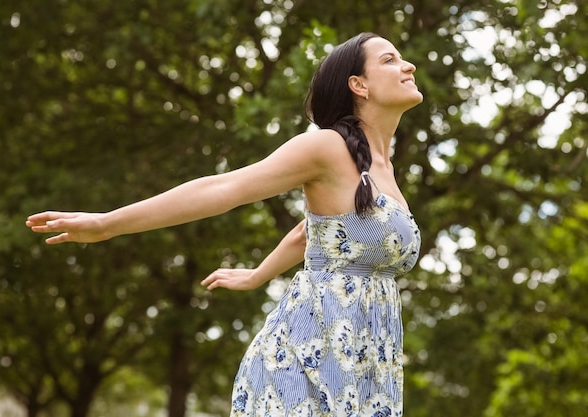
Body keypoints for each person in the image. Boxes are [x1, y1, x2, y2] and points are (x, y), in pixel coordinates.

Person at [27, 32, 422, 416]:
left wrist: (257, 275)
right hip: (306, 361)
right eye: (389, 60)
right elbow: (223, 187)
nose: (409, 65)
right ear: (359, 85)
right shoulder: (325, 147)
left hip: (369, 363)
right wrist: (107, 224)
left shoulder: (382, 169)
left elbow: (319, 234)